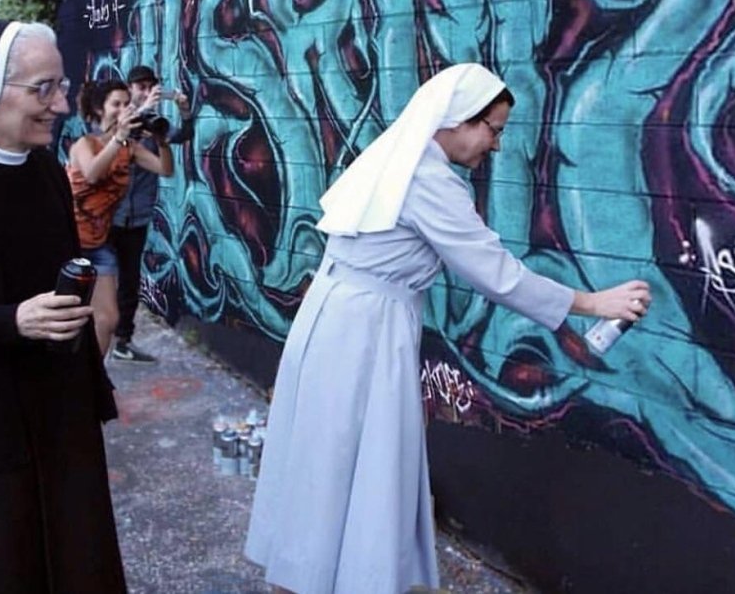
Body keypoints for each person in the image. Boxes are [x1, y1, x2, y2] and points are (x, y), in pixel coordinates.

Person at [244, 63, 651, 594]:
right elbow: (498, 274)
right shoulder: (430, 182)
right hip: (364, 332)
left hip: (338, 319)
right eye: (494, 130)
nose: (497, 145)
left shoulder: (399, 161)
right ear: (459, 119)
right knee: (353, 462)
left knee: (326, 457)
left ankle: (308, 576)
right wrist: (592, 303)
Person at [0, 19, 126, 591]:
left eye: (61, 86)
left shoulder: (45, 172)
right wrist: (11, 320)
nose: (60, 104)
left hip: (58, 414)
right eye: (43, 89)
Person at [67, 78, 174, 360]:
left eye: (127, 104)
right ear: (99, 109)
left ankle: (93, 377)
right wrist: (118, 137)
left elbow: (165, 169)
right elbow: (92, 173)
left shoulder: (130, 148)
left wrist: (162, 141)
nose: (124, 109)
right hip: (69, 241)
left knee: (108, 319)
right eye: (116, 104)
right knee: (66, 317)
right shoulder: (84, 144)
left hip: (98, 245)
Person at [106, 65, 192, 364]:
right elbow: (113, 141)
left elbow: (183, 136)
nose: (145, 91)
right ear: (129, 89)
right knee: (100, 280)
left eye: (149, 87)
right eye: (140, 87)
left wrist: (184, 111)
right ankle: (89, 337)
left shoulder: (154, 122)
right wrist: (141, 110)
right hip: (108, 217)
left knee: (129, 283)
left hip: (138, 217)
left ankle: (122, 342)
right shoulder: (118, 116)